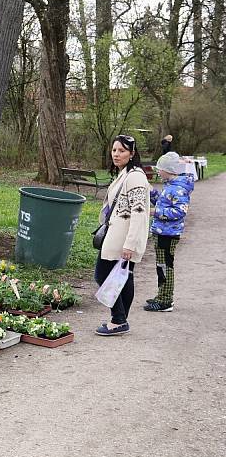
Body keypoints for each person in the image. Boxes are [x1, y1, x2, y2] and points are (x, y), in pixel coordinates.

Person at [94, 135, 151, 336]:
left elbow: (139, 212)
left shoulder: (135, 176)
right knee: (124, 277)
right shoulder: (126, 173)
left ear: (132, 154)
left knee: (102, 274)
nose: (116, 154)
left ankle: (118, 319)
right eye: (115, 150)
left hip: (123, 237)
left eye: (122, 151)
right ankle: (120, 320)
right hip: (118, 233)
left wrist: (130, 244)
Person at [144, 152, 193, 312]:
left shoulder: (178, 188)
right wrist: (151, 192)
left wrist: (154, 212)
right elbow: (163, 202)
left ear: (170, 170)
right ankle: (161, 295)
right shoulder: (171, 185)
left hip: (168, 234)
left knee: (166, 266)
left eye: (160, 169)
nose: (158, 171)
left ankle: (166, 301)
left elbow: (180, 211)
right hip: (161, 232)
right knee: (161, 265)